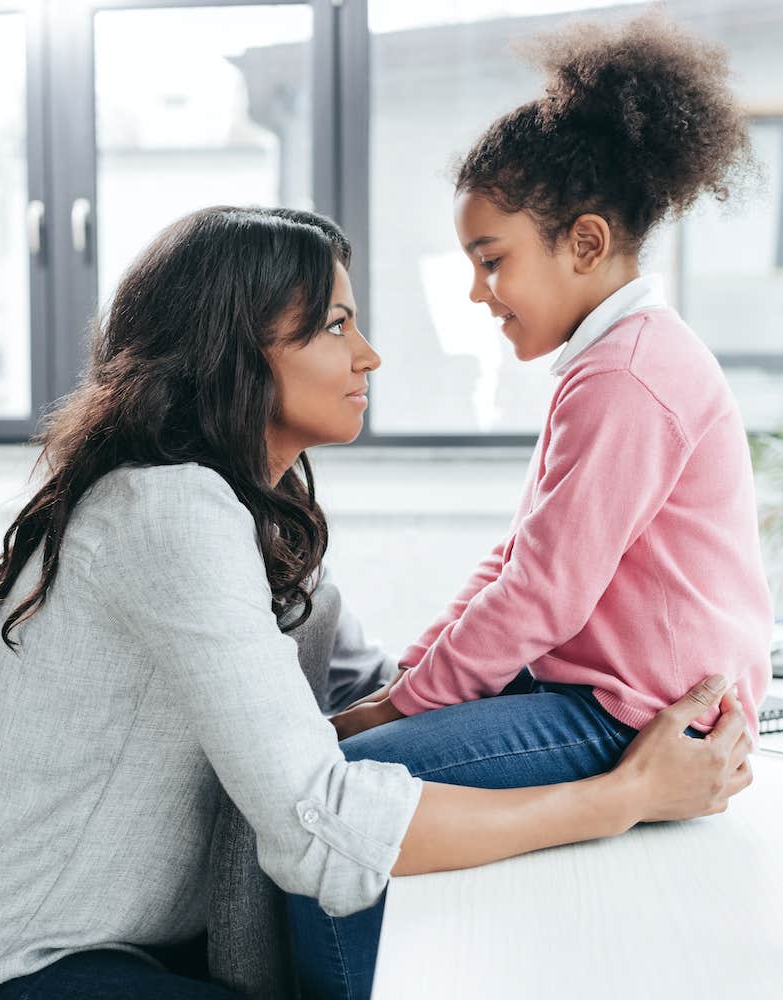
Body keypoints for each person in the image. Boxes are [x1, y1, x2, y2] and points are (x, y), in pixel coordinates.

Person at [0, 205, 749, 1000]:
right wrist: (625, 796)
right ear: (234, 348)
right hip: (23, 966)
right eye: (334, 325)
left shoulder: (253, 519)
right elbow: (321, 818)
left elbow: (381, 697)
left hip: (145, 948)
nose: (369, 356)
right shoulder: (168, 513)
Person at [291, 11, 773, 999]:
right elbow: (520, 560)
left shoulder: (629, 373)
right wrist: (416, 675)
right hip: (595, 696)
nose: (476, 290)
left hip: (628, 719)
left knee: (331, 809)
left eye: (492, 257)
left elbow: (541, 596)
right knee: (354, 753)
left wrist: (396, 704)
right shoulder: (612, 360)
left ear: (585, 243)